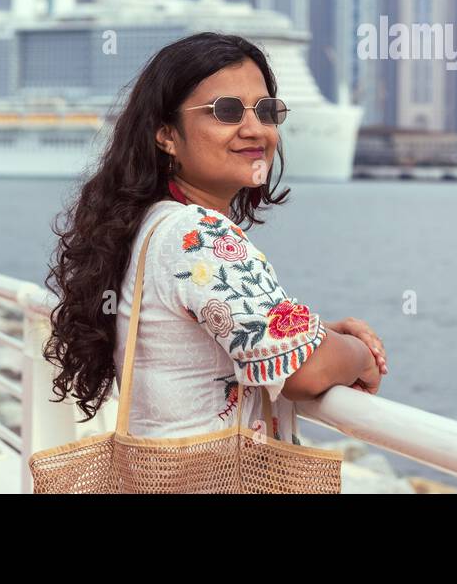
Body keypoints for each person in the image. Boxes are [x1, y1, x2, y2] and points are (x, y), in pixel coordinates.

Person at [43, 31, 386, 449]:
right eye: (226, 111)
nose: (254, 129)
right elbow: (304, 373)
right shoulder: (199, 234)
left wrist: (315, 331)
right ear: (166, 134)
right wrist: (360, 354)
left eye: (266, 111)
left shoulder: (151, 224)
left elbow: (208, 328)